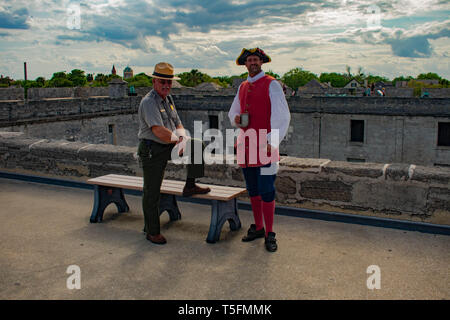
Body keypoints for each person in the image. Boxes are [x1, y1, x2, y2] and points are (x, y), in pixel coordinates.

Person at [137, 62, 210, 245]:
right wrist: (178, 140)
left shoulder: (168, 99)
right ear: (154, 81)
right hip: (152, 148)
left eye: (169, 82)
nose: (166, 85)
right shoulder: (149, 102)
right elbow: (158, 131)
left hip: (168, 144)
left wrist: (183, 137)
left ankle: (190, 185)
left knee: (197, 146)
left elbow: (177, 122)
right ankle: (152, 231)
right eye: (162, 81)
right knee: (152, 191)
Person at [228, 48, 291, 252]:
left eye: (255, 59)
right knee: (253, 188)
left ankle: (270, 233)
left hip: (265, 146)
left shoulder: (272, 84)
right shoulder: (243, 86)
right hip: (246, 145)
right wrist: (235, 119)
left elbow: (282, 116)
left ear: (261, 62)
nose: (252, 62)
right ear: (245, 64)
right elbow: (234, 111)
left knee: (267, 189)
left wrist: (272, 142)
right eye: (249, 60)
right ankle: (258, 227)